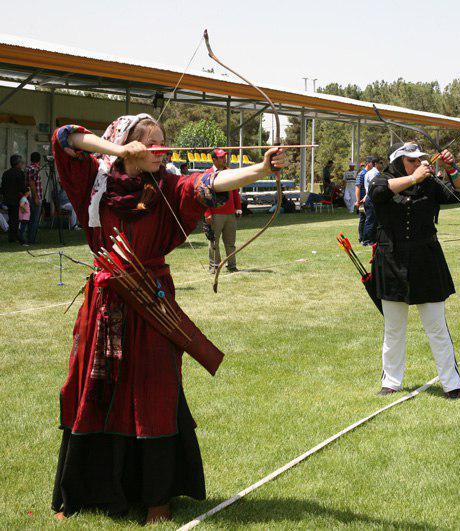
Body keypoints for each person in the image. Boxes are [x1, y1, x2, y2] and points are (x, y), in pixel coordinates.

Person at [49, 113, 286, 523]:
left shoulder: (167, 186)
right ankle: (83, 492)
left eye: (164, 142)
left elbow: (210, 185)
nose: (162, 151)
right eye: (151, 143)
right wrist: (117, 150)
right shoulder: (93, 183)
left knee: (155, 392)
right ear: (129, 145)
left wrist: (261, 169)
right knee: (95, 388)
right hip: (106, 302)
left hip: (153, 302)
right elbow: (65, 136)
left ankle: (157, 497)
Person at [368, 142, 460, 399]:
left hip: (426, 260)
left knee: (436, 328)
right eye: (411, 160)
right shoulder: (383, 179)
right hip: (392, 261)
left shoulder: (429, 182)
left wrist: (452, 168)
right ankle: (391, 381)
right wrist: (413, 178)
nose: (418, 163)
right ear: (398, 161)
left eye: (419, 159)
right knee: (394, 328)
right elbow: (377, 192)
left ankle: (451, 383)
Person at [205, 148, 242, 274]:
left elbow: (235, 191)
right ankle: (214, 266)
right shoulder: (208, 174)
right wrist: (208, 213)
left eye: (224, 156)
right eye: (221, 157)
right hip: (216, 214)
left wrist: (238, 208)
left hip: (230, 213)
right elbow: (203, 197)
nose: (224, 159)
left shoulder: (229, 173)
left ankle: (232, 266)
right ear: (214, 160)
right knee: (214, 241)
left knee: (230, 242)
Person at [1, 154, 26, 243]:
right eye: (21, 162)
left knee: (11, 218)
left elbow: (3, 187)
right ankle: (16, 236)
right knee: (16, 219)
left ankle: (11, 236)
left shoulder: (6, 173)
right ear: (18, 163)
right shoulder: (20, 173)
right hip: (16, 199)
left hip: (7, 199)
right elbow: (22, 187)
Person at [25, 152, 43, 244]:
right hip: (34, 196)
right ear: (39, 159)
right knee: (34, 219)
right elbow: (32, 184)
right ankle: (32, 239)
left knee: (31, 219)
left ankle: (30, 237)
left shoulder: (29, 167)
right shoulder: (33, 169)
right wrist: (36, 197)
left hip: (31, 196)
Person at [355, 158, 372, 242]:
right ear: (368, 164)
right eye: (373, 163)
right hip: (362, 201)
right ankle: (361, 238)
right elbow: (357, 187)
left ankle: (366, 237)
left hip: (368, 200)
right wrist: (358, 201)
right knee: (363, 219)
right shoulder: (362, 174)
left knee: (368, 219)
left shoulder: (370, 173)